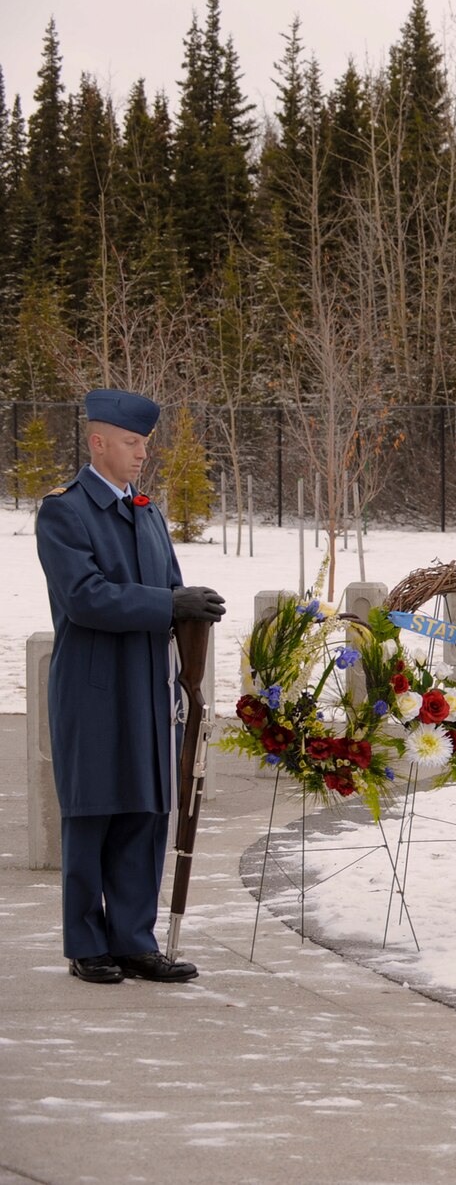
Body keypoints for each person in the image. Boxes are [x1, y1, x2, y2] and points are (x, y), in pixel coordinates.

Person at [36, 391, 225, 983]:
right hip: (94, 688)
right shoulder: (65, 511)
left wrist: (190, 607)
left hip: (148, 685)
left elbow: (168, 589)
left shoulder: (147, 512)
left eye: (144, 442)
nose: (142, 453)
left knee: (145, 811)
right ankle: (87, 944)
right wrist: (168, 602)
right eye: (130, 442)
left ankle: (134, 940)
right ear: (98, 443)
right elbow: (84, 597)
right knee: (94, 813)